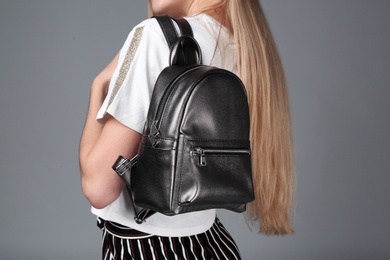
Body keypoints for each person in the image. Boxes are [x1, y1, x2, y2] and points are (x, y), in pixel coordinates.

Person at [79, 0, 295, 258]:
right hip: (213, 244)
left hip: (149, 248)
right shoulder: (246, 47)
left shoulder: (158, 36)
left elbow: (98, 189)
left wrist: (97, 87)